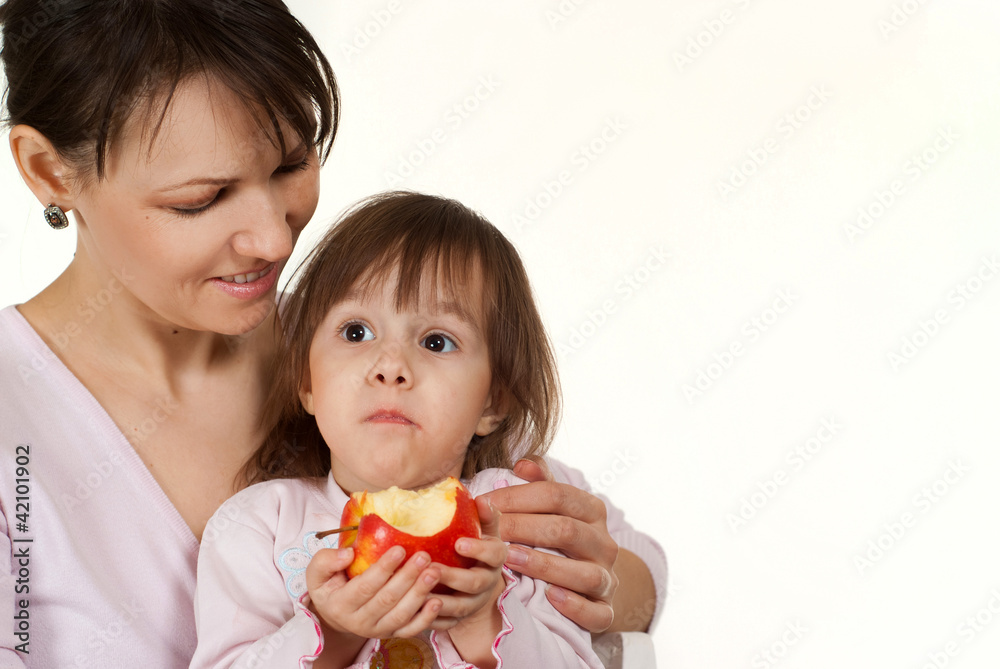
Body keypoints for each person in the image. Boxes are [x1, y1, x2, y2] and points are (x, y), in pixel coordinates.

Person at [0, 1, 664, 667]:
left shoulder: (372, 350)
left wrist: (597, 585)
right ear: (50, 171)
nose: (274, 237)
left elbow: (633, 585)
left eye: (291, 164)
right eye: (199, 200)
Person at [193, 191, 607, 668]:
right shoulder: (258, 526)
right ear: (307, 382)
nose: (391, 366)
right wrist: (333, 634)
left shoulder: (513, 529)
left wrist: (484, 617)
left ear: (494, 401)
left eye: (436, 341)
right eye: (356, 332)